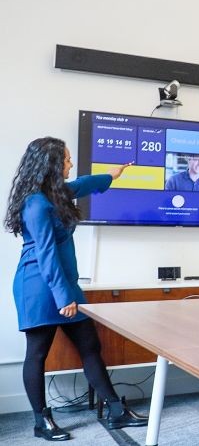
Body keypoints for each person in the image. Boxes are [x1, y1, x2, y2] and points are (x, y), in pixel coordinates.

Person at [4, 137, 147, 441]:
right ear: (52, 165)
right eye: (66, 159)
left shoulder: (56, 193)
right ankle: (41, 421)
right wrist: (63, 296)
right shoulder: (36, 204)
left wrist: (112, 174)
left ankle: (116, 410)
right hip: (39, 287)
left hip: (62, 285)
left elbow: (82, 183)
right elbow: (46, 254)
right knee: (38, 354)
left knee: (89, 346)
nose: (70, 163)